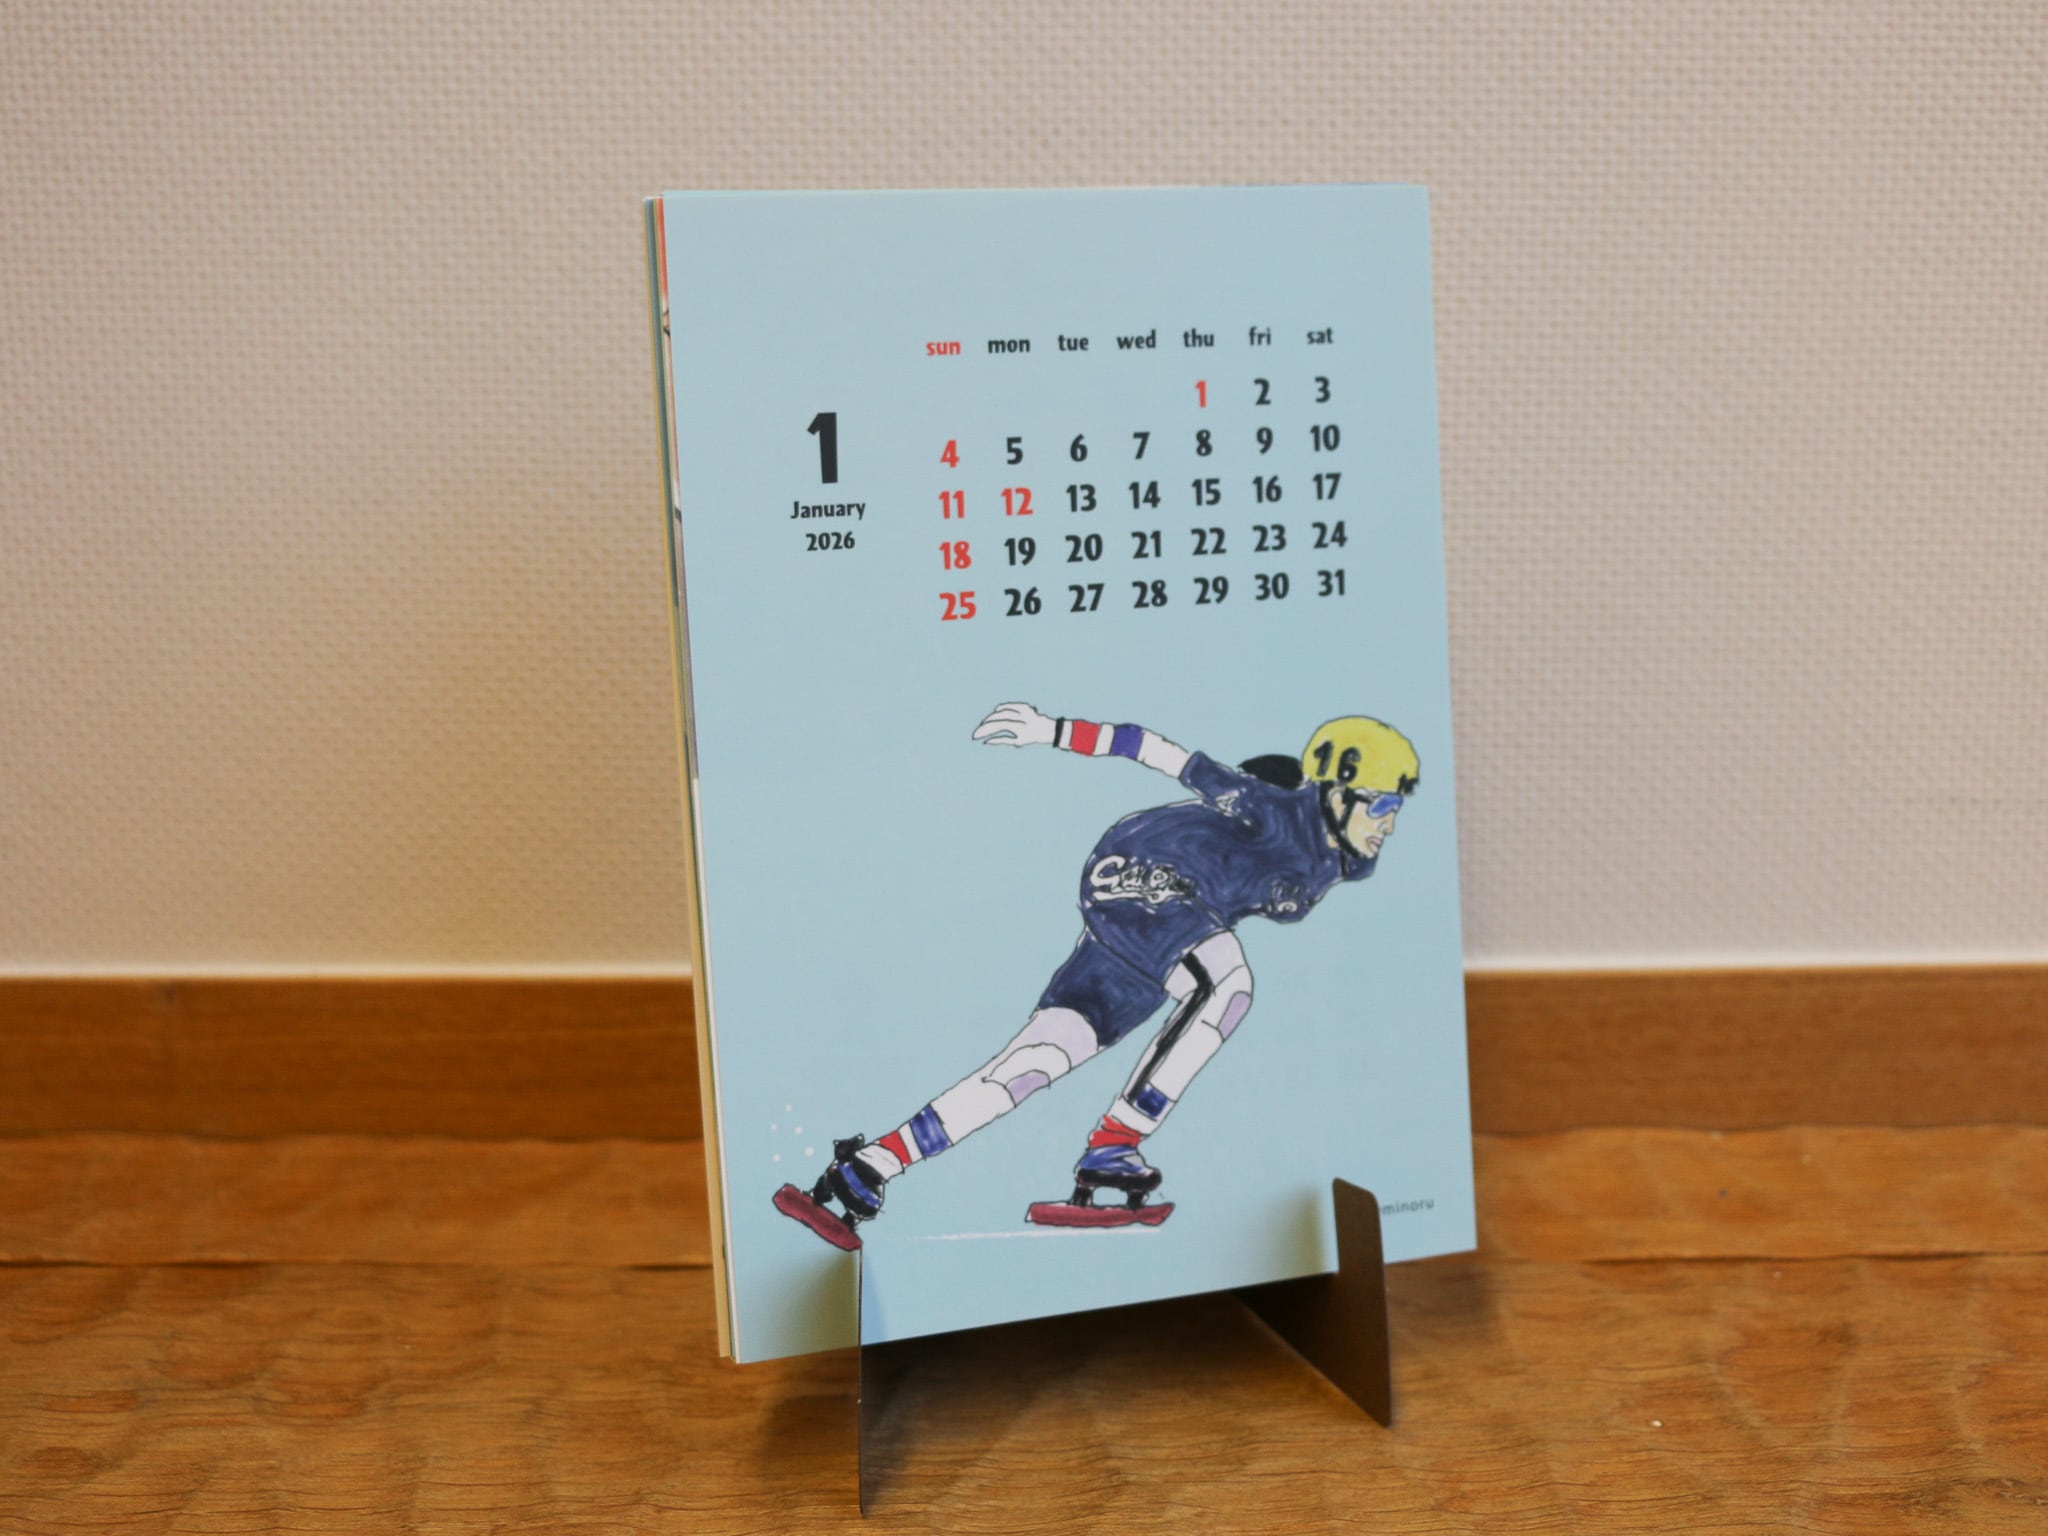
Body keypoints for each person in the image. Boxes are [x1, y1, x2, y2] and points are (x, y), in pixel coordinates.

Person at [776, 701, 1418, 1244]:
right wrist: (1050, 729)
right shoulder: (1272, 808)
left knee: (1034, 1062)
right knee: (1227, 986)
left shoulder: (1340, 862)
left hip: (1153, 938)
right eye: (1382, 803)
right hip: (1145, 873)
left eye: (1397, 807)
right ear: (1335, 790)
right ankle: (1116, 1142)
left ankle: (868, 1168)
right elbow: (1157, 751)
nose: (1390, 823)